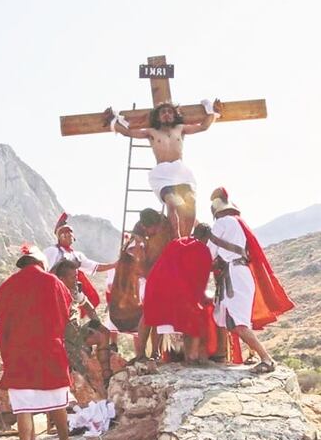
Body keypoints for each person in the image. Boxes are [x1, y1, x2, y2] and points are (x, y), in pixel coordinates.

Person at [0, 245, 86, 440]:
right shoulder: (53, 282)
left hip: (19, 355)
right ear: (41, 263)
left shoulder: (6, 287)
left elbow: (2, 325)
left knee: (23, 408)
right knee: (58, 402)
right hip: (49, 352)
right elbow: (66, 313)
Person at [104, 100, 224, 237]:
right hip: (163, 174)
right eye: (163, 112)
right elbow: (128, 132)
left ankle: (186, 237)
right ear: (157, 117)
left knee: (191, 201)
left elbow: (203, 126)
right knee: (172, 203)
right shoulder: (151, 132)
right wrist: (112, 120)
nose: (166, 114)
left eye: (169, 111)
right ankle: (177, 238)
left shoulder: (180, 128)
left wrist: (213, 112)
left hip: (180, 172)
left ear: (174, 115)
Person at [207, 188, 294, 374]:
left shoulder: (221, 223)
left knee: (238, 323)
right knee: (227, 318)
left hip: (234, 275)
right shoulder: (239, 222)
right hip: (240, 273)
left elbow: (208, 254)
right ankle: (234, 356)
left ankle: (266, 359)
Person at [141, 223, 214, 364]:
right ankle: (191, 357)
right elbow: (200, 276)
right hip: (179, 291)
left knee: (156, 319)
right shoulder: (202, 249)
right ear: (206, 237)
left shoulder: (177, 243)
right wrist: (199, 297)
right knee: (193, 321)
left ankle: (153, 354)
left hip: (157, 286)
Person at [43, 213, 116, 314]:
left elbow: (95, 266)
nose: (68, 236)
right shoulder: (52, 251)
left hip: (72, 290)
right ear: (60, 236)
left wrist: (114, 265)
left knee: (84, 308)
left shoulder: (77, 255)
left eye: (70, 233)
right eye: (65, 233)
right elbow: (43, 272)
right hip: (53, 291)